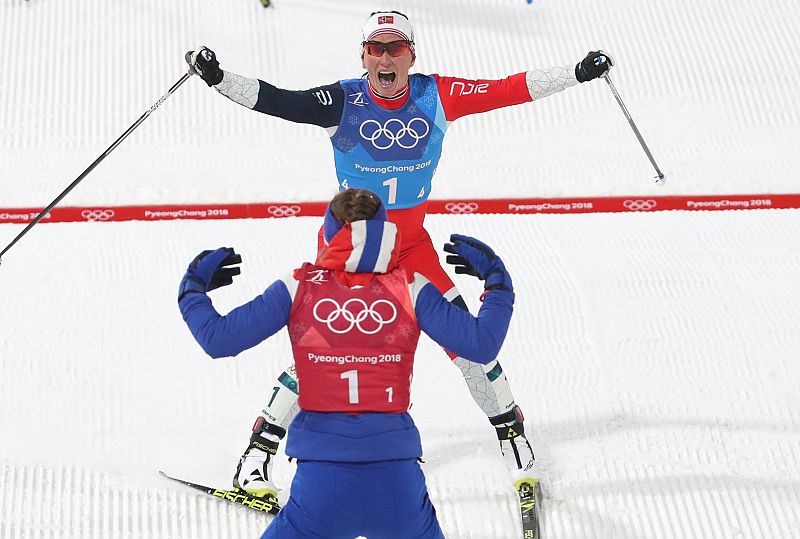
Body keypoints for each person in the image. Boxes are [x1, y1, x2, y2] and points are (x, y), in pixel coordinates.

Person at [185, 10, 613, 500]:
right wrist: (218, 79)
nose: (386, 58)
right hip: (349, 248)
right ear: (364, 55)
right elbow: (277, 100)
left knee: (464, 340)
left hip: (410, 247)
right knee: (322, 346)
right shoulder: (342, 100)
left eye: (395, 48)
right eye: (377, 48)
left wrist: (576, 73)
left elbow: (508, 89)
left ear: (412, 54)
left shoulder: (437, 95)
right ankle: (257, 454)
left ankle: (510, 429)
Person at [177, 188, 516, 539]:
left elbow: (217, 339)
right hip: (396, 483)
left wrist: (193, 289)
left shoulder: (299, 287)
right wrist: (496, 282)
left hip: (321, 488)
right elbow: (480, 345)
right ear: (386, 233)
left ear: (327, 234)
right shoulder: (411, 288)